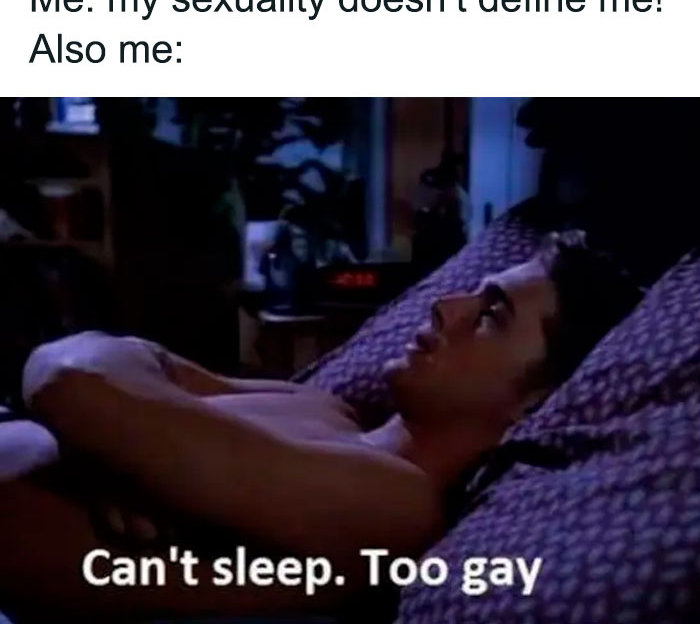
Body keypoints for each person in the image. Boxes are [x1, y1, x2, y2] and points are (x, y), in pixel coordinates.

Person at [0, 231, 642, 619]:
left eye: (491, 316)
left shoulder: (394, 506)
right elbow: (87, 358)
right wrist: (114, 446)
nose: (447, 306)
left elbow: (69, 379)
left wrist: (114, 424)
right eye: (472, 293)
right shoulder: (324, 410)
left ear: (537, 403)